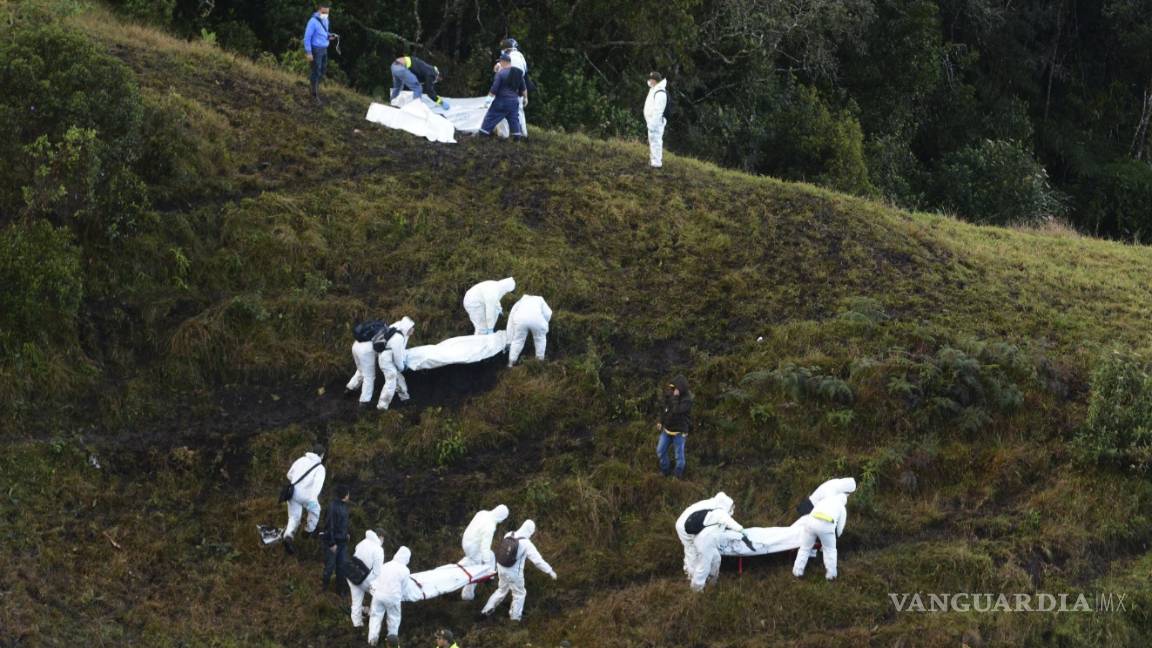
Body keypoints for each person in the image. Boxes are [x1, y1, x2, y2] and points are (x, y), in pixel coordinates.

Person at [480, 520, 557, 622]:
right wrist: (550, 571)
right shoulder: (526, 543)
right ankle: (515, 619)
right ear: (530, 531)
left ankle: (486, 610)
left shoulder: (509, 534)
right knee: (519, 594)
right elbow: (538, 561)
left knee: (501, 590)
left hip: (501, 567)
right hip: (514, 573)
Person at [792, 479, 855, 581]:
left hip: (810, 522)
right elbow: (839, 529)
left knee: (804, 548)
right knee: (830, 550)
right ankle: (831, 575)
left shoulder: (825, 499)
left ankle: (797, 572)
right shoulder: (842, 508)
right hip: (826, 526)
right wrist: (834, 539)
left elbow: (813, 511)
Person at [674, 492, 743, 577]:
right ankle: (692, 577)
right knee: (692, 553)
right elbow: (729, 521)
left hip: (685, 523)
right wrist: (741, 530)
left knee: (690, 551)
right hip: (686, 528)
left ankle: (689, 573)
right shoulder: (719, 511)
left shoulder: (710, 503)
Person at [460, 504, 510, 600]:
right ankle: (487, 577)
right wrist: (486, 563)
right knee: (486, 560)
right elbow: (485, 547)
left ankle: (487, 576)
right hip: (473, 549)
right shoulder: (490, 526)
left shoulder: (482, 513)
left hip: (465, 542)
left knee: (484, 558)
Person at [283, 445, 327, 554]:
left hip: (293, 494)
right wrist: (313, 499)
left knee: (294, 517)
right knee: (315, 512)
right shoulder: (320, 468)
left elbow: (289, 474)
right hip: (308, 497)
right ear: (322, 455)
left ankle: (288, 535)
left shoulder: (301, 460)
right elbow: (317, 485)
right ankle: (308, 531)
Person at [369, 546, 411, 645]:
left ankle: (372, 640)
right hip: (393, 597)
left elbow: (377, 579)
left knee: (375, 617)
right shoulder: (405, 570)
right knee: (393, 619)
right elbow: (404, 587)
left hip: (378, 595)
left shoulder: (385, 565)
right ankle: (392, 642)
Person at [478, 54, 527, 139]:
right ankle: (517, 138)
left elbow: (494, 90)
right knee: (514, 119)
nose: (500, 63)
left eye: (500, 62)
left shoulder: (501, 73)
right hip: (514, 102)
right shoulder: (518, 73)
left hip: (501, 101)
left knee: (490, 117)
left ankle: (482, 135)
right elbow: (524, 89)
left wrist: (487, 102)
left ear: (503, 62)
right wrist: (525, 98)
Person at [348, 529, 387, 628]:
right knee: (379, 595)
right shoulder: (379, 550)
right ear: (381, 537)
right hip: (365, 579)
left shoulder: (363, 542)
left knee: (356, 602)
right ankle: (373, 618)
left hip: (351, 574)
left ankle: (357, 625)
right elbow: (377, 572)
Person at [656, 375, 692, 478]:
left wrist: (676, 398)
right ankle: (665, 471)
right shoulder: (670, 395)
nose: (672, 390)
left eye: (675, 388)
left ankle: (676, 477)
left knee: (679, 459)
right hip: (667, 430)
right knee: (660, 451)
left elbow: (676, 411)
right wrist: (660, 421)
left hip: (679, 433)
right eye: (672, 388)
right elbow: (665, 410)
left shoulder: (687, 400)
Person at [347, 320, 389, 407]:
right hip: (366, 350)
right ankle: (364, 401)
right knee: (369, 376)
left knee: (361, 370)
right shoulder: (387, 333)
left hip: (356, 345)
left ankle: (350, 388)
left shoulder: (373, 328)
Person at [377, 317, 415, 411]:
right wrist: (402, 367)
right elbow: (397, 356)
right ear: (407, 328)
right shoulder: (398, 338)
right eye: (412, 329)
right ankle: (381, 407)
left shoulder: (400, 335)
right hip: (387, 361)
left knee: (399, 378)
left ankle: (405, 398)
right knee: (391, 383)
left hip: (389, 359)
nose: (413, 332)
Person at [506, 295, 552, 367]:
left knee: (518, 340)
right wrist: (545, 322)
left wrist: (509, 340)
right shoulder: (540, 299)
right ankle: (539, 361)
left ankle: (511, 363)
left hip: (520, 320)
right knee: (540, 339)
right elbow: (548, 313)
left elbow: (511, 318)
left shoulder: (519, 302)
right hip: (537, 319)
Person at [303, 3, 336, 104]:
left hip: (324, 48)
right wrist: (309, 52)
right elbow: (307, 37)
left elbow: (324, 32)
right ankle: (314, 94)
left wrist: (329, 36)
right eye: (324, 12)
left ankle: (315, 88)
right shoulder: (312, 22)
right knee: (316, 70)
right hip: (316, 49)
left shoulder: (325, 20)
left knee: (322, 70)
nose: (326, 14)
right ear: (320, 10)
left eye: (328, 12)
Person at [322, 484, 352, 591]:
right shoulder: (332, 506)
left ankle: (340, 590)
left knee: (342, 567)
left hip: (343, 542)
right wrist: (331, 543)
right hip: (333, 542)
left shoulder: (345, 506)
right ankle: (324, 588)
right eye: (348, 494)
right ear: (344, 495)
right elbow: (329, 525)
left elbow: (343, 523)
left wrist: (346, 534)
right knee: (329, 567)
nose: (349, 496)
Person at [643, 72, 668, 168]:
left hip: (656, 123)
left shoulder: (660, 92)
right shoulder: (654, 89)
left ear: (655, 80)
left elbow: (658, 111)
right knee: (653, 141)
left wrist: (652, 125)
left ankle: (656, 163)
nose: (649, 81)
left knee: (656, 141)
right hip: (652, 122)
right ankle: (653, 161)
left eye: (651, 79)